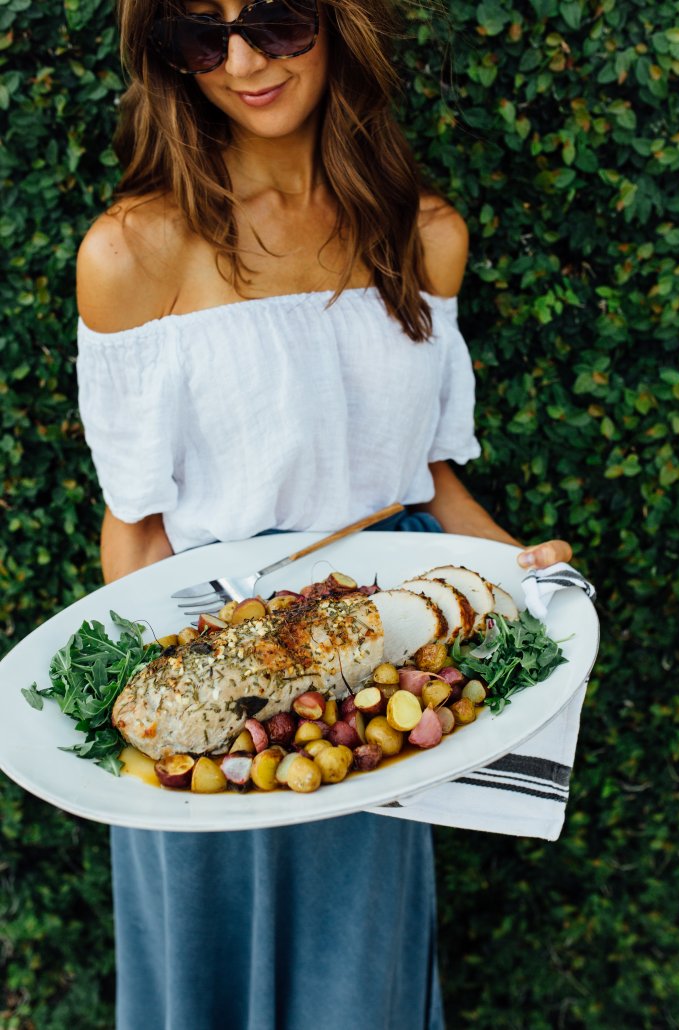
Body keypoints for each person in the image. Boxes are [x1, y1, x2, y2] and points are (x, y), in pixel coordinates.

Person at [75, 0, 573, 1026]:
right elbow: (134, 528)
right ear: (169, 58)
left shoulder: (426, 235)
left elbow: (424, 483)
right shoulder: (133, 253)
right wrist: (190, 712)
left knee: (362, 989)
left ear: (340, 18)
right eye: (200, 36)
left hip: (373, 660)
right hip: (208, 662)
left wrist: (526, 570)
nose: (245, 60)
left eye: (275, 17)